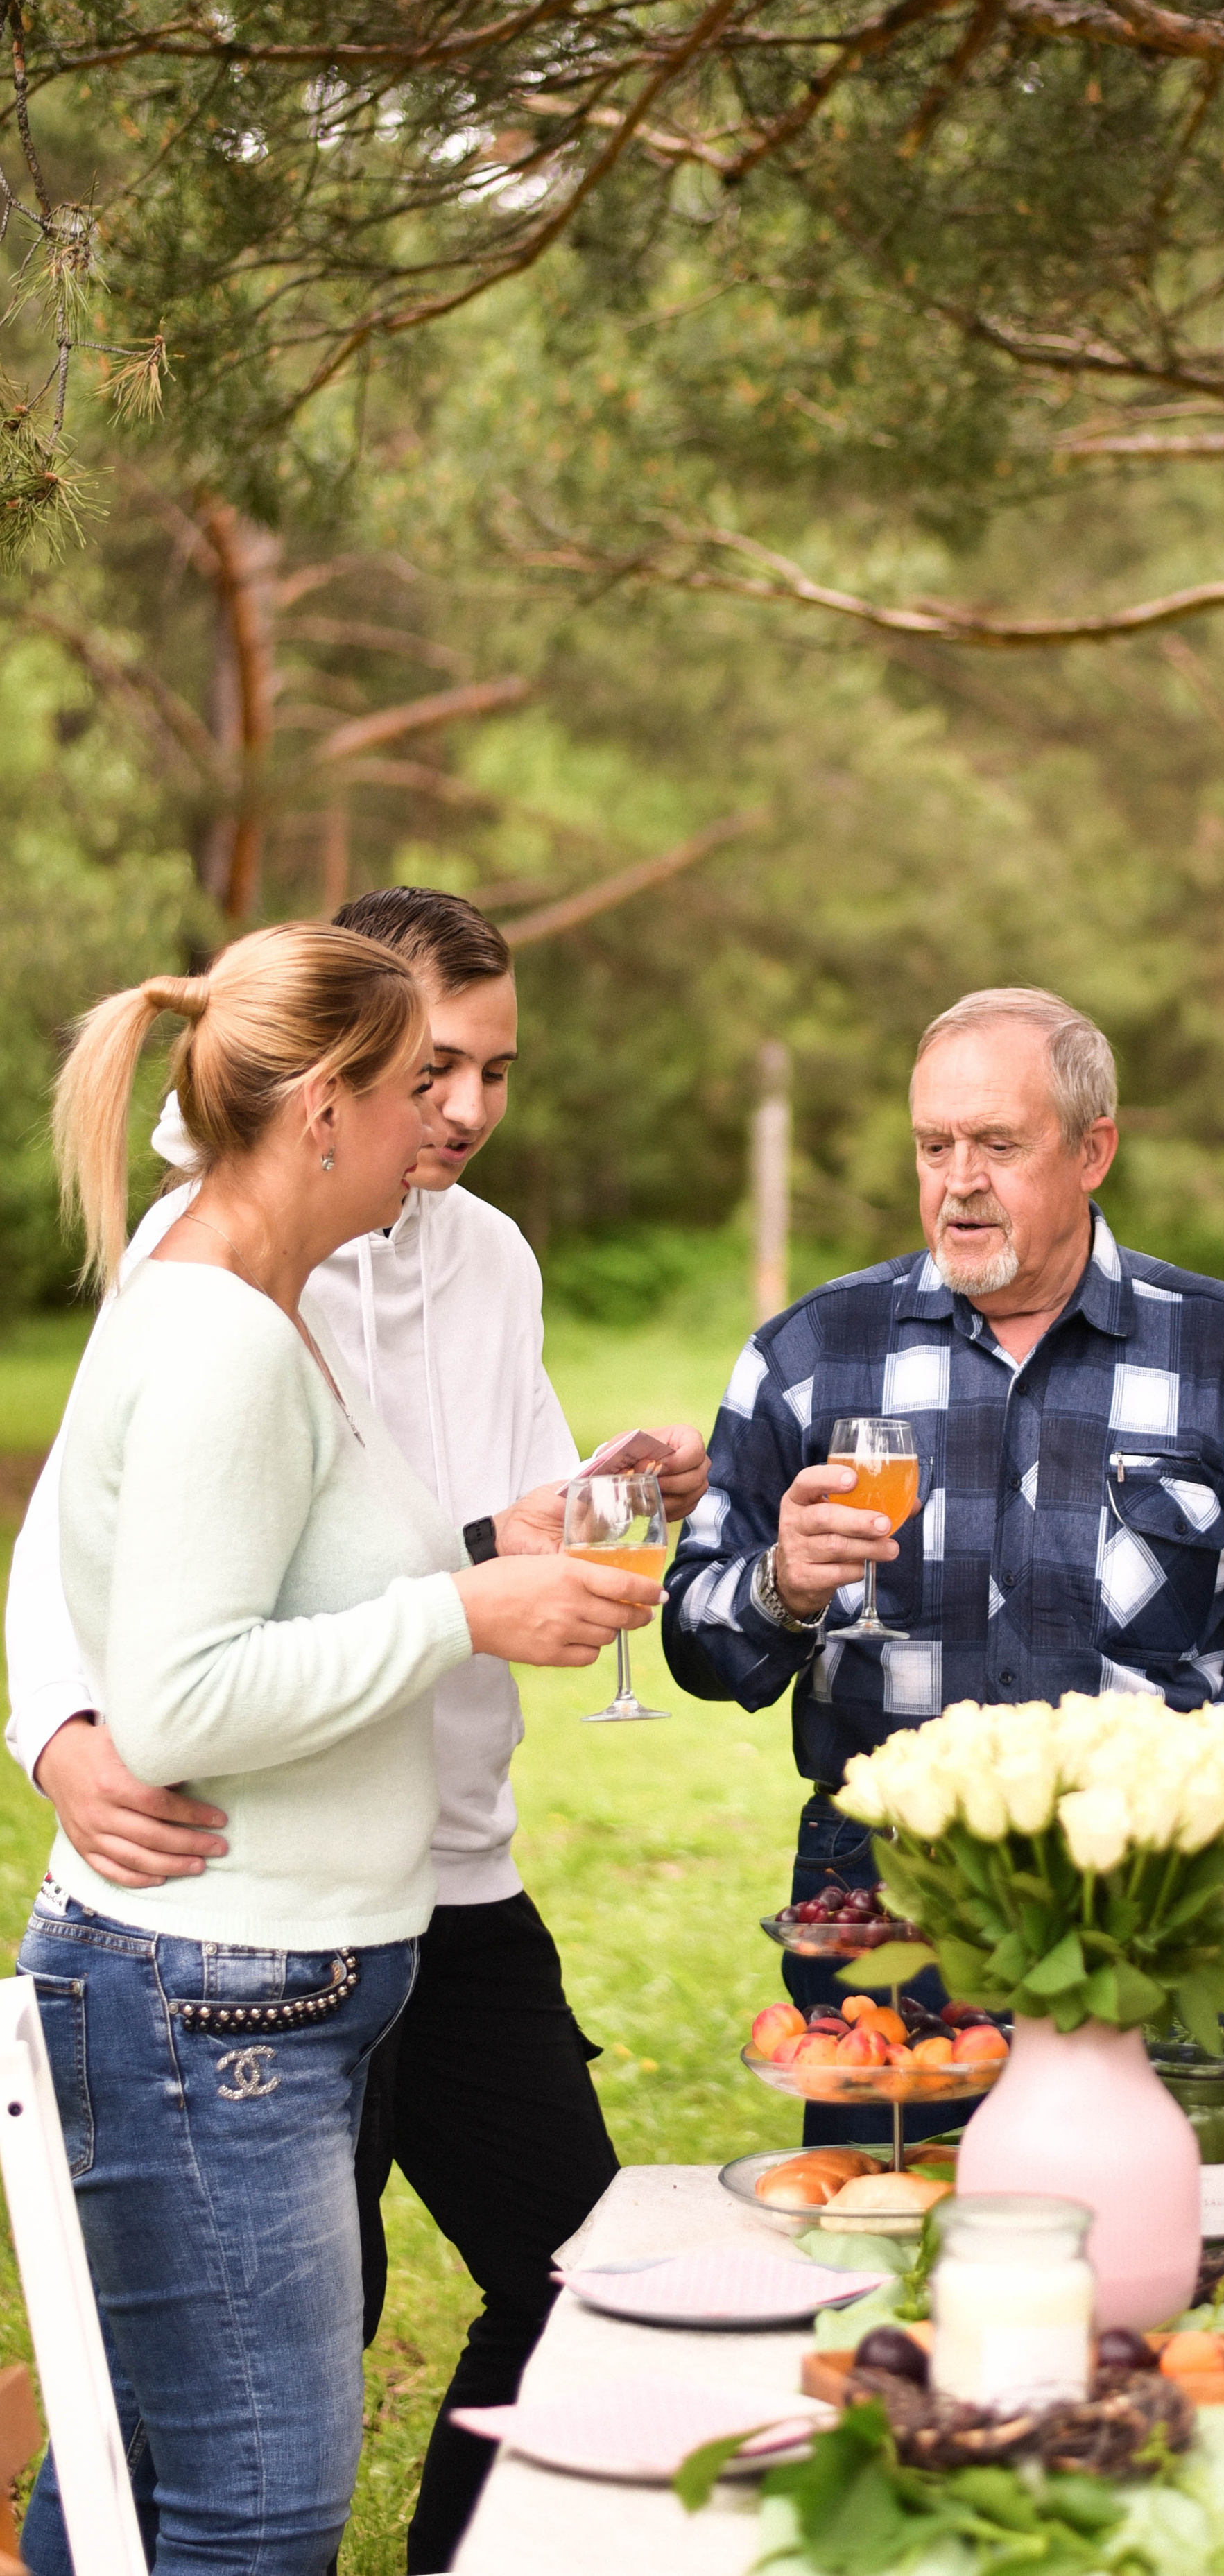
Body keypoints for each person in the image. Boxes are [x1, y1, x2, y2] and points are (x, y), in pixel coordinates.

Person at [6, 888, 709, 2574]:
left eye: (492, 1074)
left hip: (392, 1906)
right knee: (231, 2464)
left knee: (240, 2427)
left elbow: (387, 1543)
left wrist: (563, 1521)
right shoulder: (223, 1302)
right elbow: (135, 1615)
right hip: (233, 1946)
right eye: (424, 1076)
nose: (455, 1116)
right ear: (330, 1096)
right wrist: (65, 1736)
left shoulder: (380, 1274)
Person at [663, 987, 1224, 2132]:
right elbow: (696, 1644)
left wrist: (1178, 1817)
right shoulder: (810, 1352)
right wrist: (781, 1586)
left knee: (1151, 2228)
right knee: (893, 2220)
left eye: (998, 1145)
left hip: (1147, 1903)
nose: (959, 1181)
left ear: (1094, 1152)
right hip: (886, 1897)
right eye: (933, 1146)